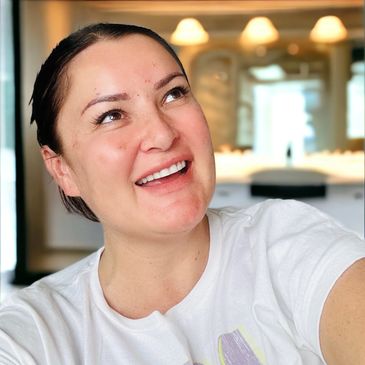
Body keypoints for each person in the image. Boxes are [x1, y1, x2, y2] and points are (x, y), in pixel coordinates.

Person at [0, 23, 364, 365]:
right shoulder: (34, 335)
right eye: (111, 115)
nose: (162, 135)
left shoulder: (288, 248)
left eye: (173, 93)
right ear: (61, 169)